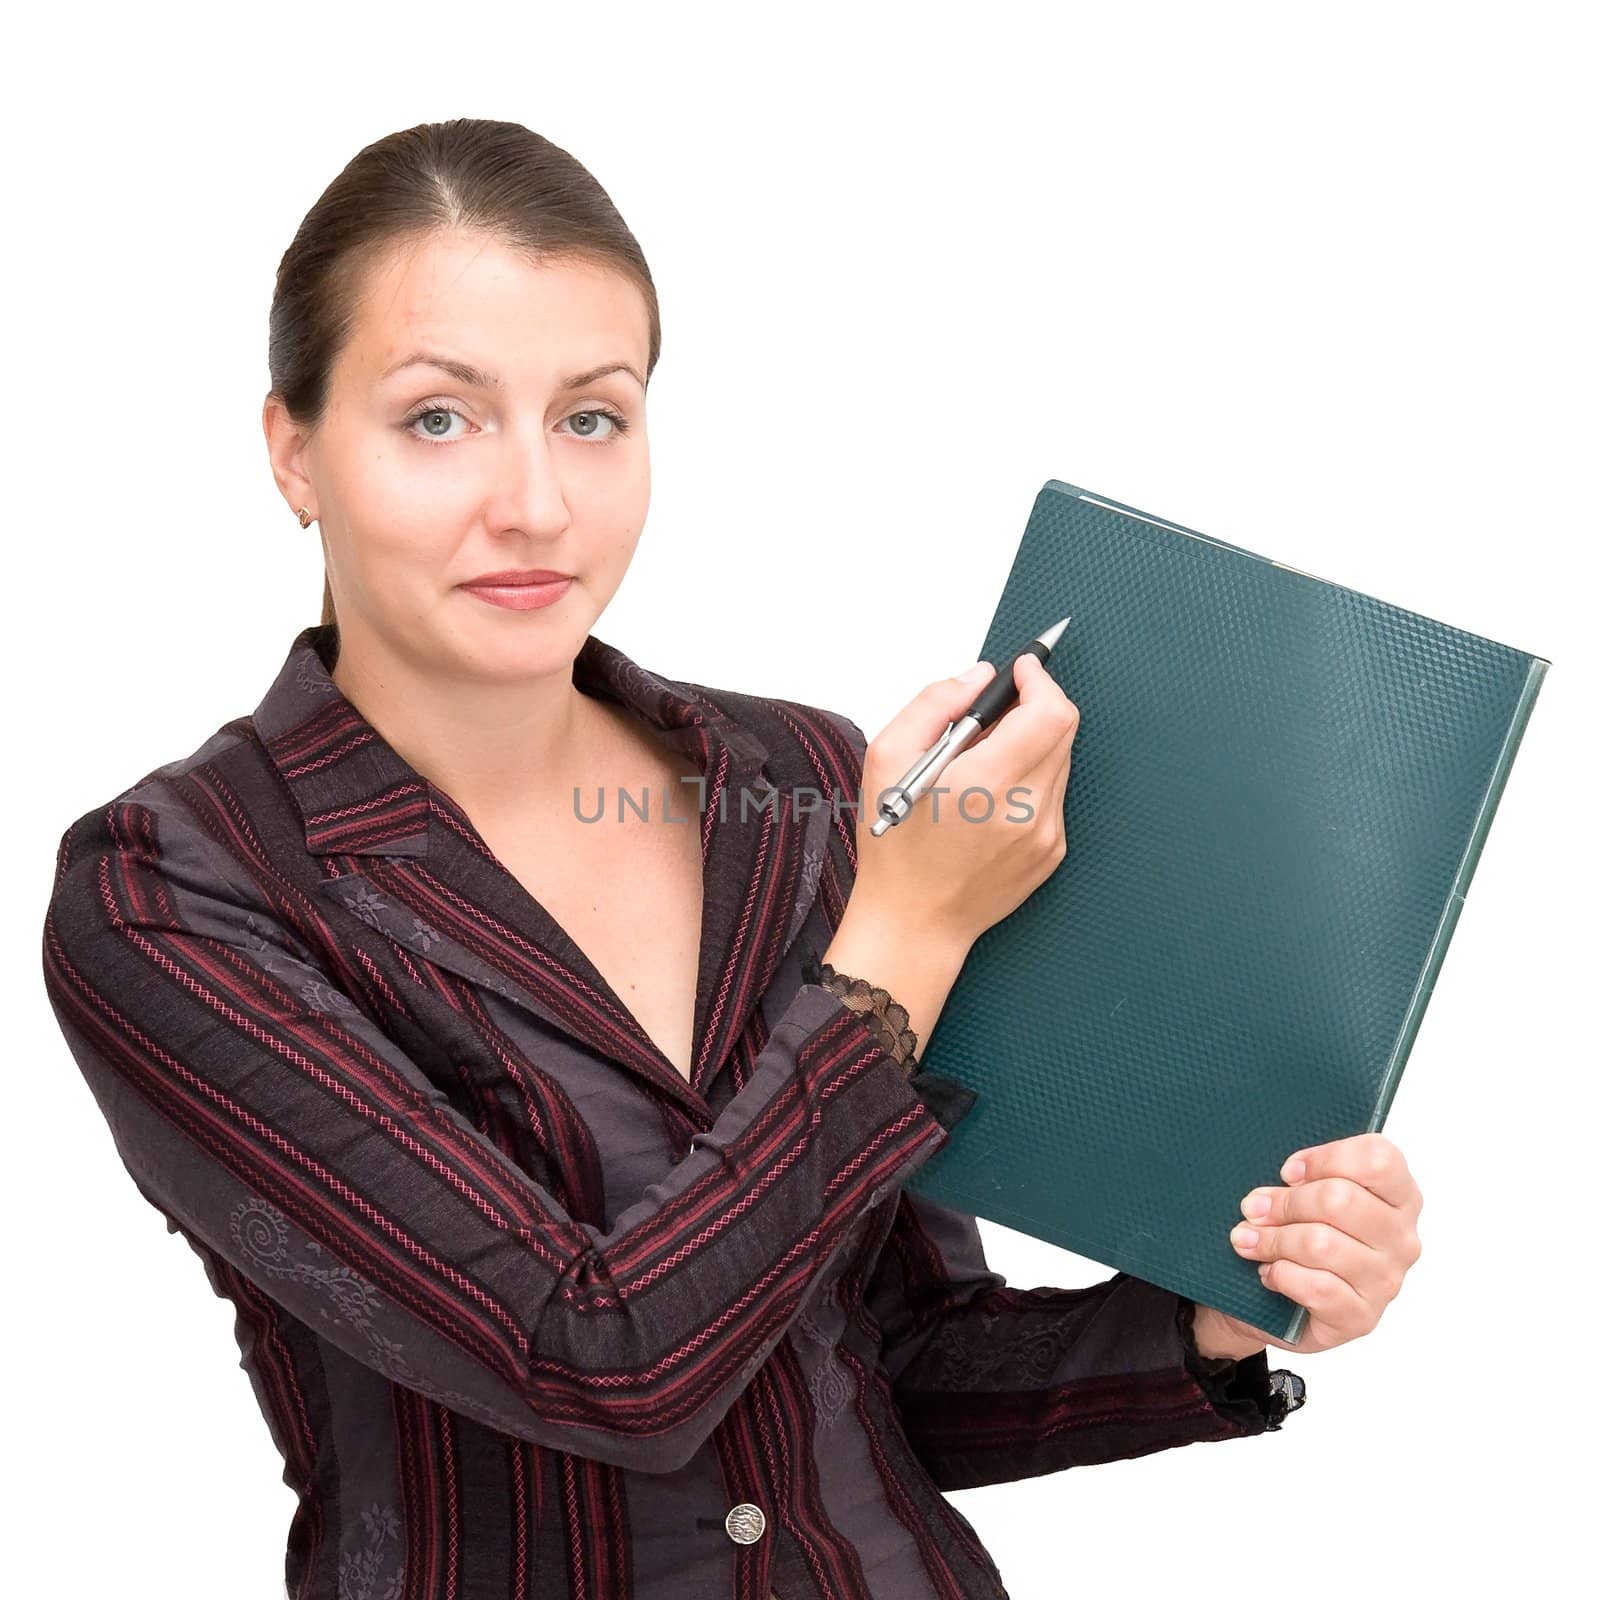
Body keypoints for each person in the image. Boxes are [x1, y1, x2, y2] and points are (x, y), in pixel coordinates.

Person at [40, 118, 1422, 1600]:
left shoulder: (805, 788)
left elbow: (891, 1358)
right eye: (439, 419)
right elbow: (598, 1362)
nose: (535, 504)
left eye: (592, 417)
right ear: (294, 450)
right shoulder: (176, 889)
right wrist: (900, 946)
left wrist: (1212, 1319)